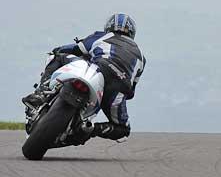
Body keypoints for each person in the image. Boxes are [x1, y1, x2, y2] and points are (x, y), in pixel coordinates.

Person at [22, 13, 146, 142]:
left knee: (57, 56)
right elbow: (132, 90)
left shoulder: (103, 36)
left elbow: (75, 48)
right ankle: (89, 129)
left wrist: (57, 49)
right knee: (123, 129)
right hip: (118, 89)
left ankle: (41, 93)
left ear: (108, 27)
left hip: (98, 71)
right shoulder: (142, 57)